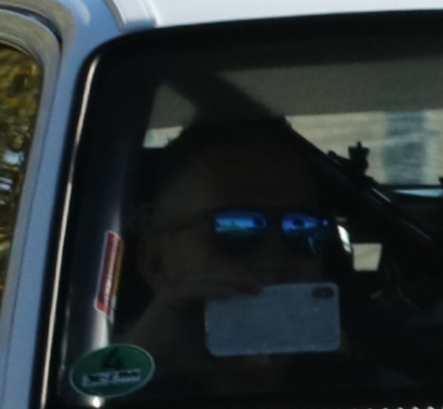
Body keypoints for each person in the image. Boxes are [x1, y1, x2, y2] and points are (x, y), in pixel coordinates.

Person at [121, 118, 344, 390]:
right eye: (234, 228)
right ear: (155, 262)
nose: (274, 259)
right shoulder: (79, 394)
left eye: (304, 229)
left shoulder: (371, 398)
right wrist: (134, 370)